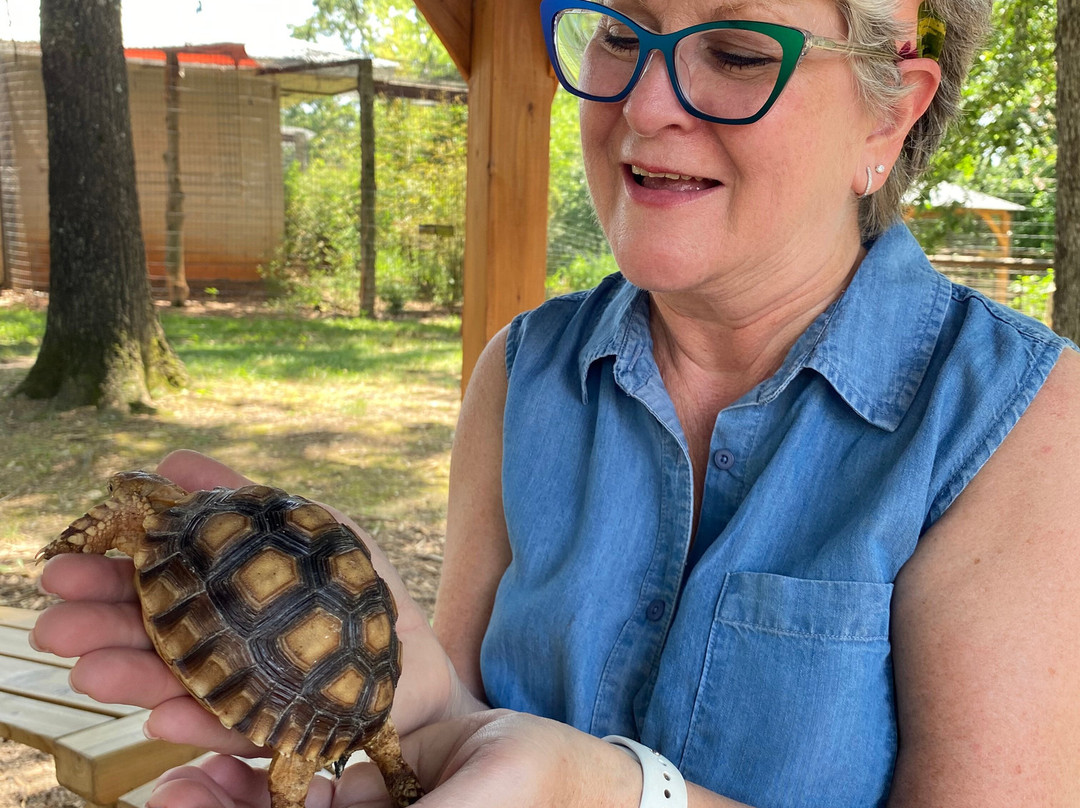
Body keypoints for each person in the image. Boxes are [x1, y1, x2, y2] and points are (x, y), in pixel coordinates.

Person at [30, 0, 1080, 805]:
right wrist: (420, 706)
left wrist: (616, 794)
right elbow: (460, 732)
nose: (647, 105)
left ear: (890, 113)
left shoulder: (1025, 424)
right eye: (620, 33)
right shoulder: (523, 371)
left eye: (737, 53)